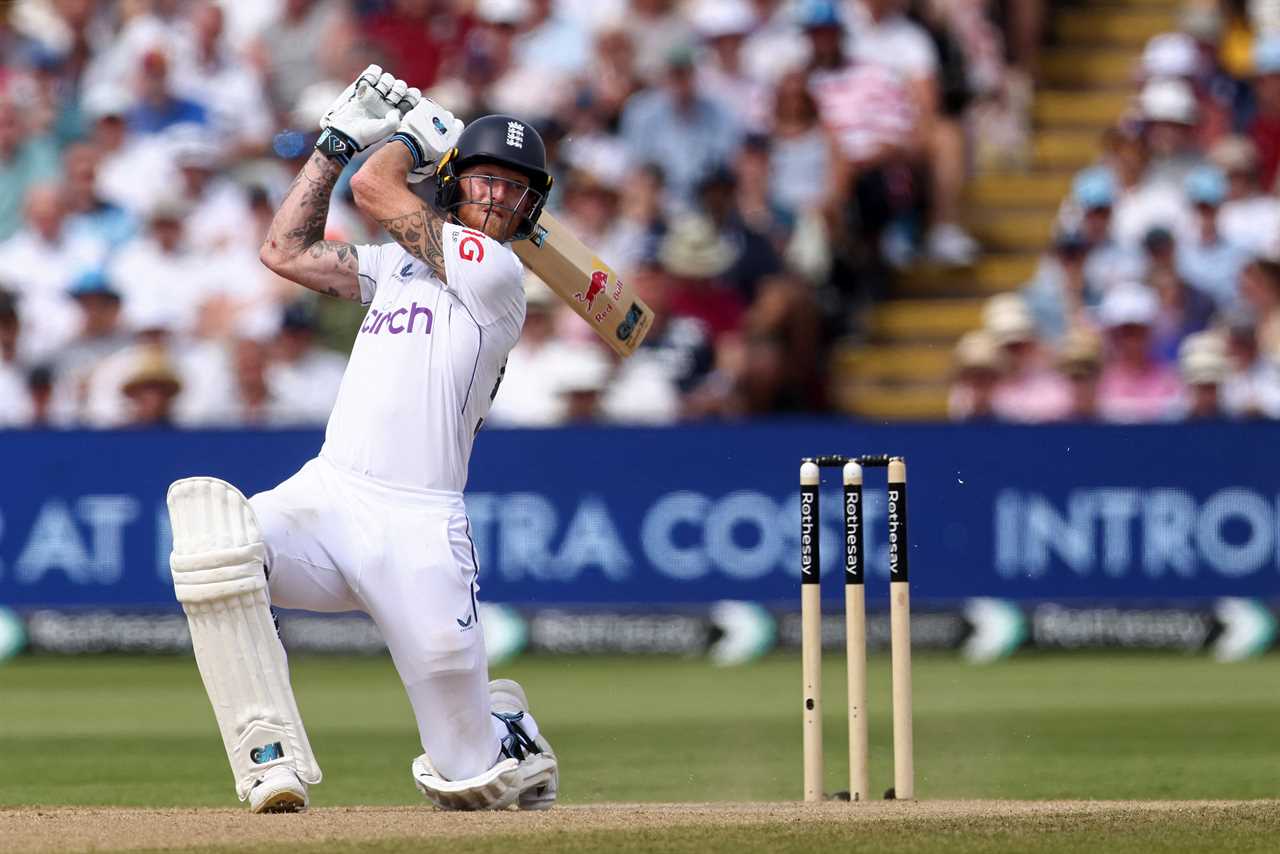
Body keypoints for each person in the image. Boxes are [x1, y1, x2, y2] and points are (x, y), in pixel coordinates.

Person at [166, 66, 557, 813]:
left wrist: (408, 133)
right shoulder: (394, 268)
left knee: (471, 784)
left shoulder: (496, 273)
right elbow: (284, 250)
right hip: (329, 495)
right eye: (485, 181)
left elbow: (378, 191)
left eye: (514, 189)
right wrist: (332, 145)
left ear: (531, 207)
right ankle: (268, 754)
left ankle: (500, 724)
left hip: (420, 526)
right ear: (453, 182)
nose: (498, 198)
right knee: (216, 541)